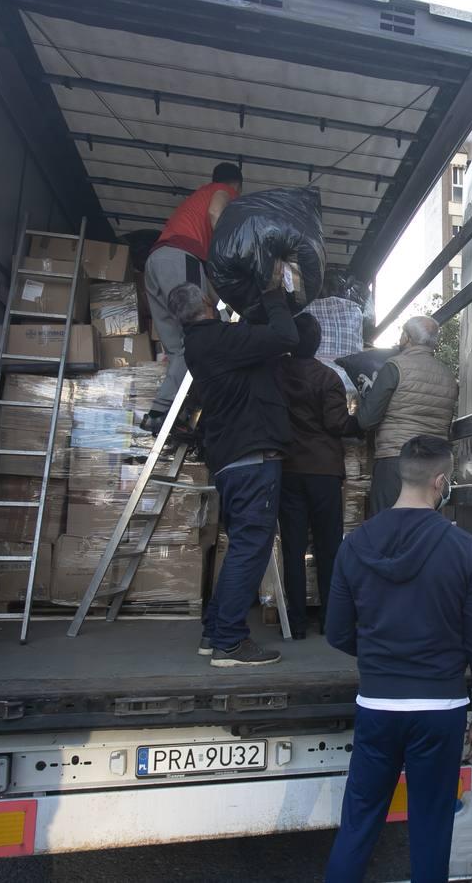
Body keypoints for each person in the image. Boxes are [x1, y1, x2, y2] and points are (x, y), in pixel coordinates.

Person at [324, 436, 472, 883]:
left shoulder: (355, 543)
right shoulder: (463, 549)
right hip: (440, 710)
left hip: (378, 704)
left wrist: (382, 656)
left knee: (360, 821)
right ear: (441, 481)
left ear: (401, 475)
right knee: (430, 825)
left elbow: (338, 632)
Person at [171, 271, 297, 668]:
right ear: (207, 306)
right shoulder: (220, 341)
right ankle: (229, 643)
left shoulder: (205, 344)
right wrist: (275, 294)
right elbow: (286, 337)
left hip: (233, 461)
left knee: (241, 550)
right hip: (251, 462)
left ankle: (214, 632)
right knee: (249, 551)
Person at [140, 162, 243, 432]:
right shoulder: (223, 191)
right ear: (238, 187)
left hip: (155, 264)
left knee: (179, 349)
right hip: (179, 258)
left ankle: (159, 412)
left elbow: (212, 288)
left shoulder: (195, 199)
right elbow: (215, 212)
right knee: (205, 334)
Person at [276, 314, 358, 638]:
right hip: (323, 471)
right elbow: (338, 424)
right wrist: (362, 421)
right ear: (318, 342)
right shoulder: (328, 378)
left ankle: (295, 624)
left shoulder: (275, 374)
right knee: (328, 548)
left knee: (293, 549)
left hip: (288, 469)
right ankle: (329, 620)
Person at [357, 317, 458, 517]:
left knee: (387, 531)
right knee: (421, 531)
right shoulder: (448, 376)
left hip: (396, 461)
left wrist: (365, 396)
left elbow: (367, 420)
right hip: (433, 467)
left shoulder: (395, 367)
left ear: (407, 337)